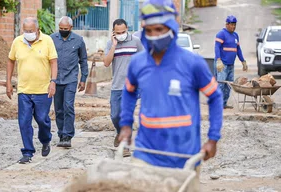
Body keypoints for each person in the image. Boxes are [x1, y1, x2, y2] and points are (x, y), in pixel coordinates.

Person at [118, 0, 223, 173]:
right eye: (149, 30)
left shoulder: (192, 63)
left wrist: (213, 138)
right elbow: (129, 92)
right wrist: (126, 124)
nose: (154, 35)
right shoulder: (138, 63)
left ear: (171, 28)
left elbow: (215, 97)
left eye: (159, 29)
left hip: (184, 157)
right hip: (146, 153)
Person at [6, 17, 58, 164]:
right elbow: (11, 60)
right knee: (24, 122)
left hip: (43, 90)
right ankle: (28, 152)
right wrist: (8, 82)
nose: (28, 33)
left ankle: (46, 139)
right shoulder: (18, 42)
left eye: (31, 31)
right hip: (24, 90)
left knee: (42, 119)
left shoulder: (47, 40)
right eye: (26, 31)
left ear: (37, 29)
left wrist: (53, 82)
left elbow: (53, 62)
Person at [103, 19, 144, 157]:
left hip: (132, 86)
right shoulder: (110, 43)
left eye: (123, 32)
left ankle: (125, 145)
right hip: (116, 86)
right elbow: (107, 63)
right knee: (115, 115)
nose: (121, 34)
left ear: (128, 28)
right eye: (118, 32)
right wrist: (114, 46)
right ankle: (120, 133)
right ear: (113, 32)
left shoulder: (136, 41)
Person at [50, 16, 88, 148]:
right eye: (61, 28)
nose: (63, 30)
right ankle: (61, 133)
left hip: (71, 79)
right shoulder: (52, 39)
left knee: (68, 106)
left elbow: (83, 60)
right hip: (56, 79)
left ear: (71, 28)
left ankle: (67, 135)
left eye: (65, 29)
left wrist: (83, 79)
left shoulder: (78, 40)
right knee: (58, 109)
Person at [215, 15, 248, 109]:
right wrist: (218, 60)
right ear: (227, 24)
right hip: (222, 64)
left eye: (235, 25)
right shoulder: (221, 34)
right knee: (221, 85)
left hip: (231, 65)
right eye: (232, 25)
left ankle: (224, 104)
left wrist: (243, 61)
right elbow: (217, 47)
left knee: (229, 85)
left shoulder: (235, 35)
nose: (233, 27)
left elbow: (238, 49)